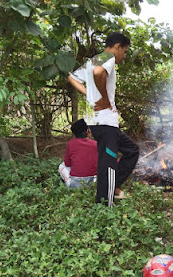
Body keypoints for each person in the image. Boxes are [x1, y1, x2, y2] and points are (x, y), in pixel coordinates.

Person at [68, 32, 139, 206]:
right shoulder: (108, 58)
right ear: (117, 47)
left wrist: (90, 95)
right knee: (108, 165)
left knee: (131, 150)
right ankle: (104, 205)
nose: (125, 55)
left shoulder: (95, 59)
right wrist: (104, 98)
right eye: (125, 50)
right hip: (105, 122)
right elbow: (99, 73)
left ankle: (113, 187)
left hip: (99, 122)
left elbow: (71, 78)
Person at [58, 119, 98, 188]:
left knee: (61, 166)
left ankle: (67, 185)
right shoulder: (96, 144)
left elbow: (67, 164)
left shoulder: (71, 143)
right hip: (93, 183)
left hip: (75, 184)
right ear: (87, 131)